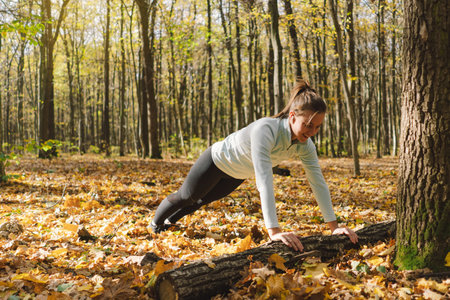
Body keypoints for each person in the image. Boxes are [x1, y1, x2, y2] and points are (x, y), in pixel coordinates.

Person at [150, 79, 358, 251]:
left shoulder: (305, 145)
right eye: (308, 125)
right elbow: (265, 180)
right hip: (217, 160)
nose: (312, 132)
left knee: (200, 201)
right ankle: (155, 224)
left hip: (238, 173)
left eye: (317, 127)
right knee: (187, 197)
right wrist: (274, 232)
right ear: (292, 116)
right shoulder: (265, 130)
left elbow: (318, 183)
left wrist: (334, 228)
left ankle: (169, 224)